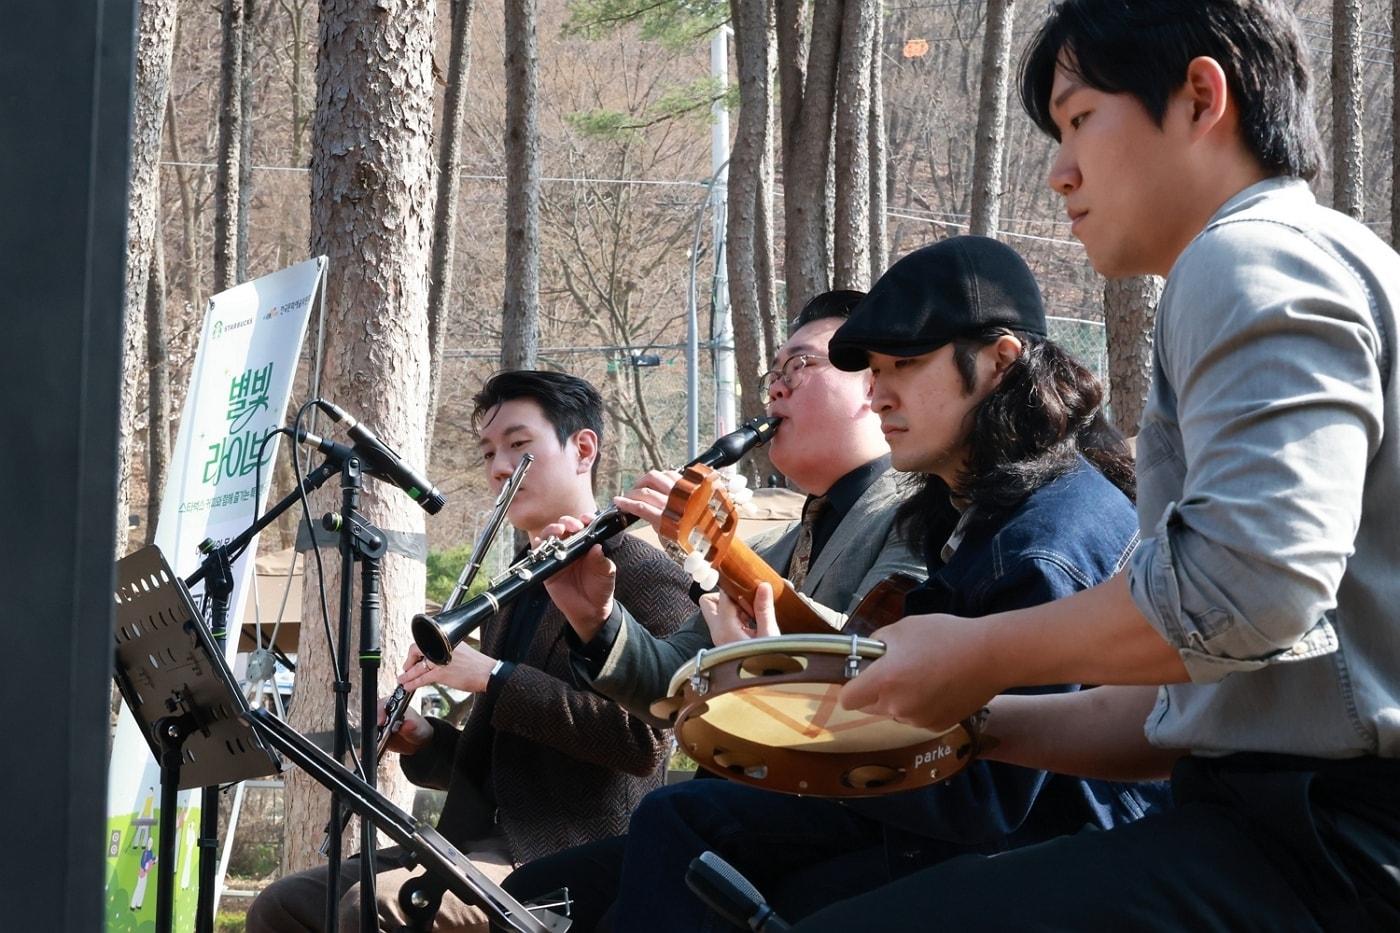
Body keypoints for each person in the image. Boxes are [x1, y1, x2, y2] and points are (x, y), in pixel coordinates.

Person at [790, 2, 1400, 930]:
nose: (1059, 170)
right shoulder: (1307, 261)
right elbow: (1196, 700)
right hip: (1290, 832)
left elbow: (1250, 588)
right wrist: (969, 717)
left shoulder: (1251, 258)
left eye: (1079, 119)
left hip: (1332, 850)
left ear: (1202, 98)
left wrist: (983, 650)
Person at [499, 291, 927, 929]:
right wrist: (599, 620)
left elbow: (879, 648)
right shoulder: (782, 542)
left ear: (875, 387)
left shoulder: (917, 511)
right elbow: (675, 681)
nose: (774, 392)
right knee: (538, 890)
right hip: (751, 799)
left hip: (851, 806)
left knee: (664, 832)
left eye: (798, 368)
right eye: (771, 375)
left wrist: (722, 556)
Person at [247, 371, 695, 933]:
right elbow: (507, 762)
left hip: (570, 850)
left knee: (371, 910)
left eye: (519, 445)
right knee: (283, 905)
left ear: (583, 449)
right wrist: (427, 740)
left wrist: (495, 677)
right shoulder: (515, 588)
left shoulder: (647, 576)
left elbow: (643, 743)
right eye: (488, 453)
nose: (499, 468)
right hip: (468, 841)